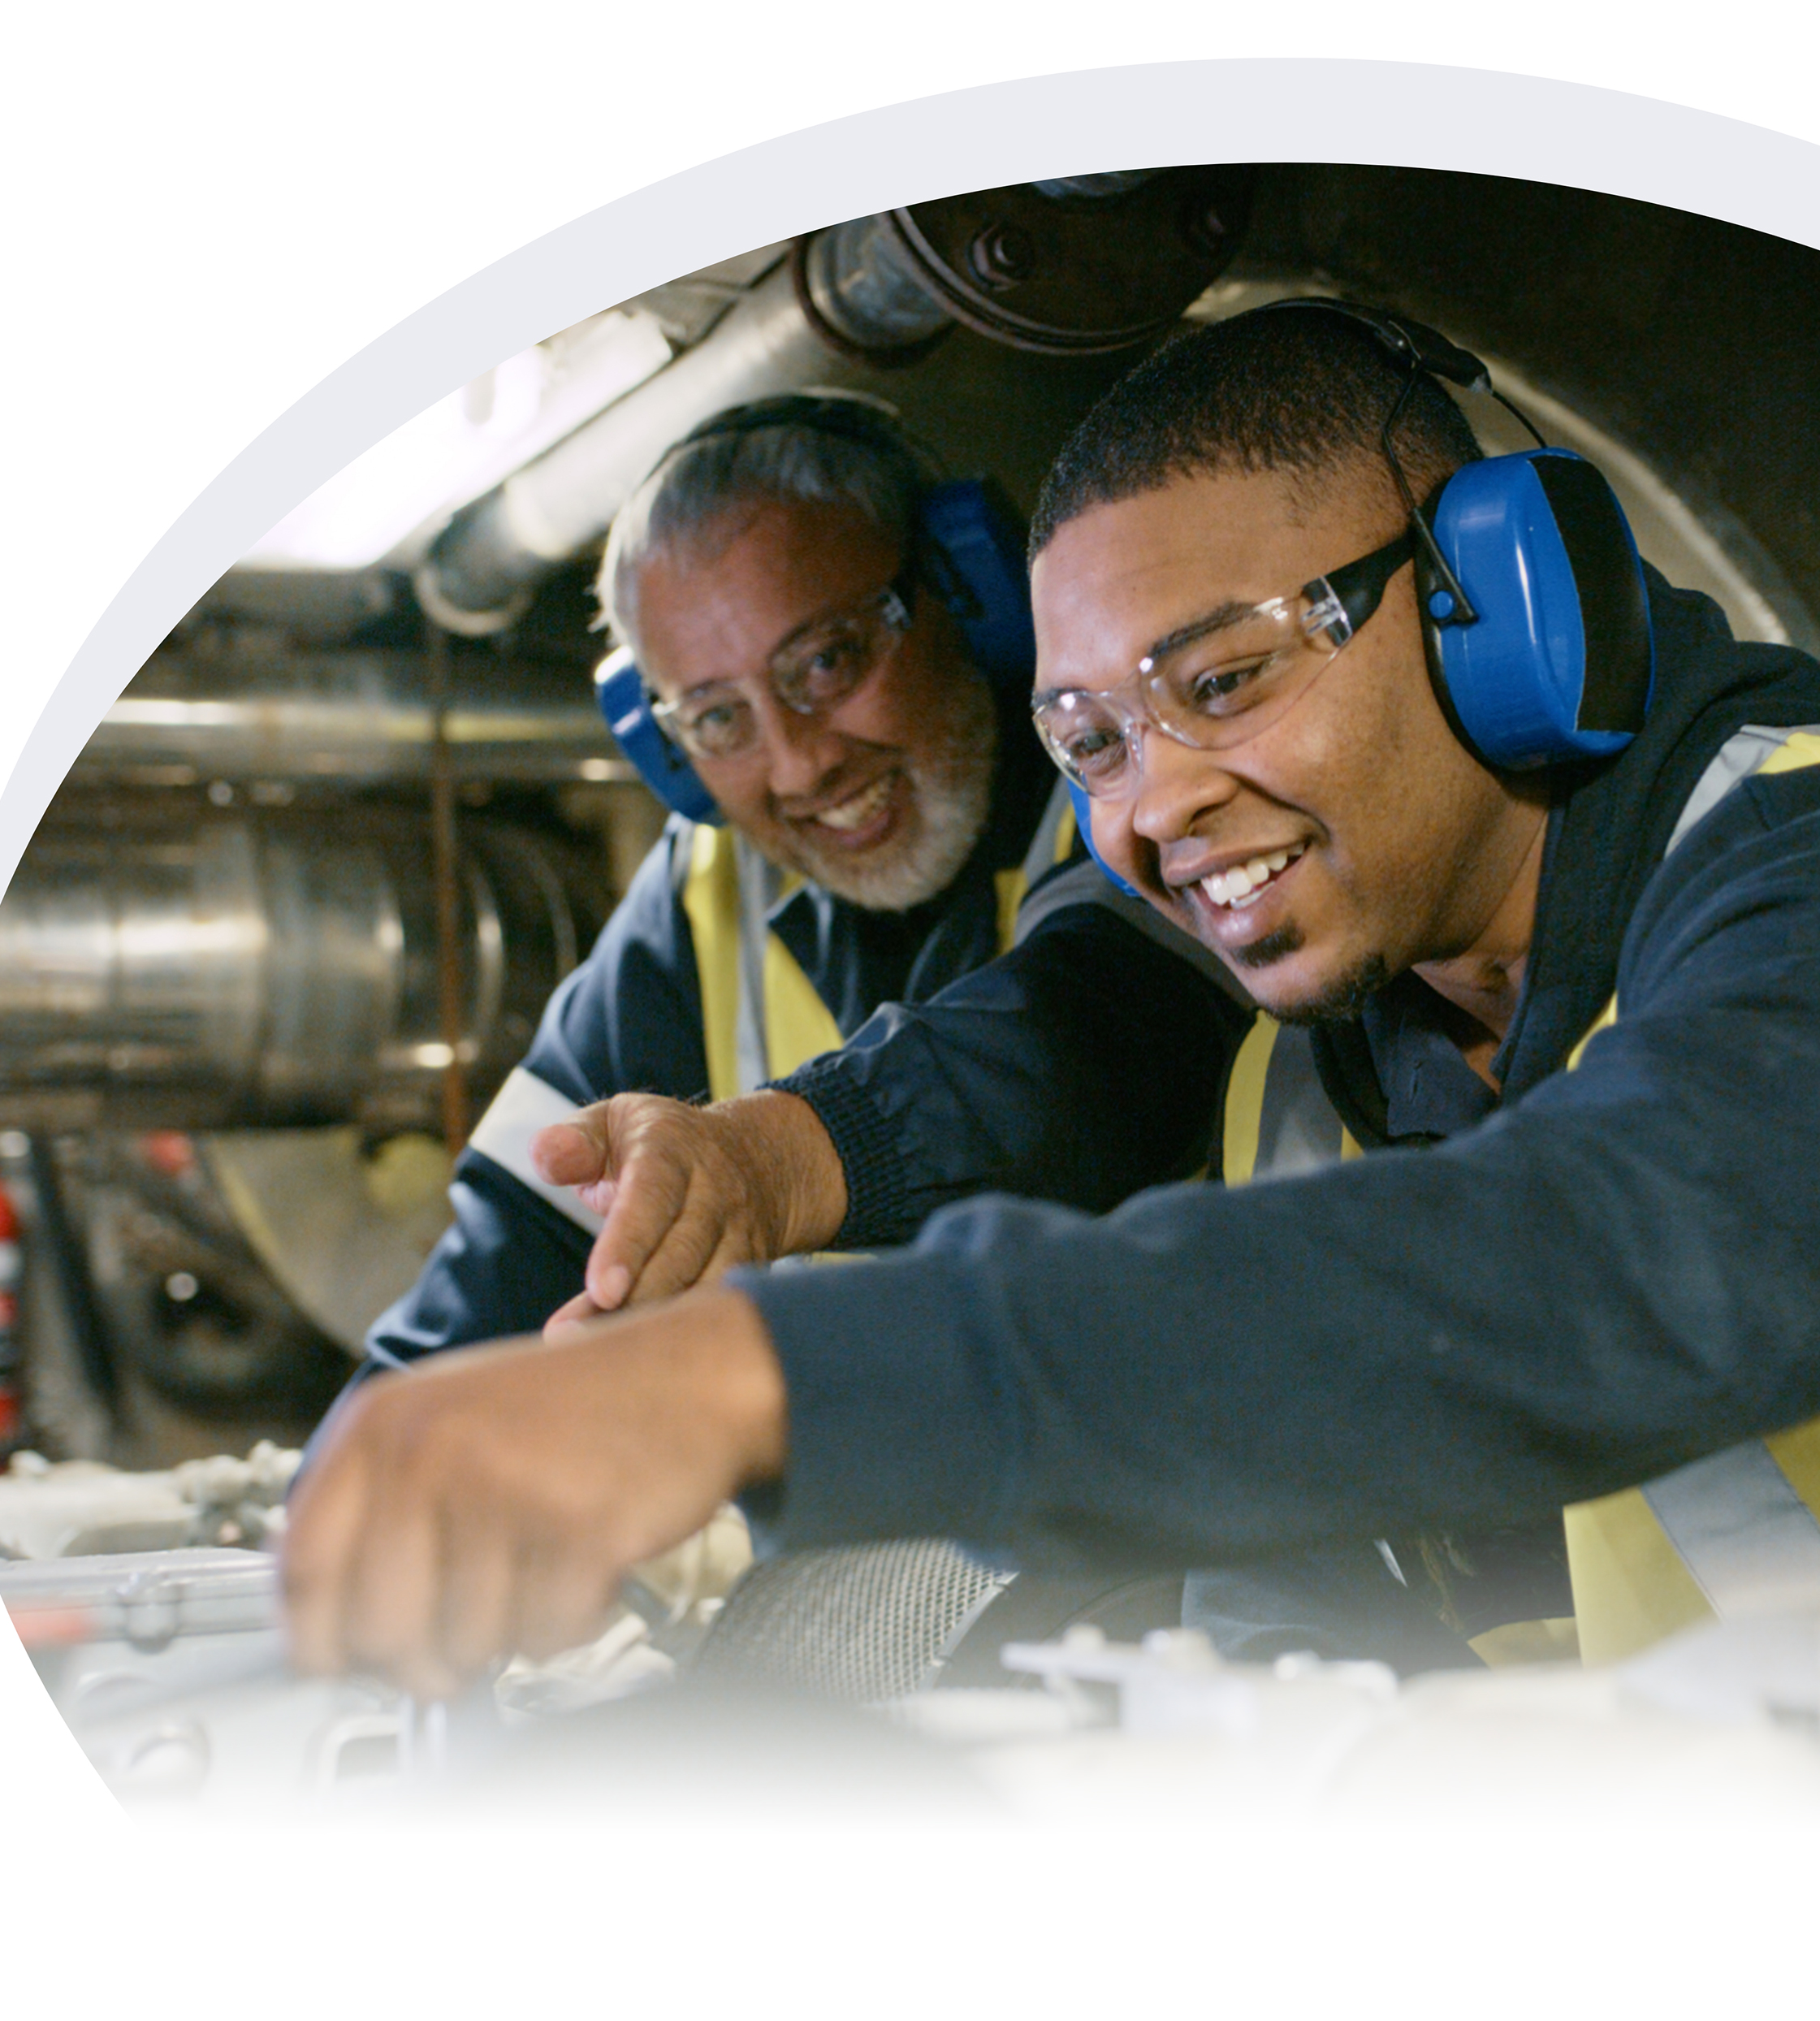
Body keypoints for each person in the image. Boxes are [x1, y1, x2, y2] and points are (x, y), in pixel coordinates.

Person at [285, 305, 1820, 1701]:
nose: (1153, 808)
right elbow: (1296, 1607)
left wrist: (760, 1377)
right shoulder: (1297, 1079)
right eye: (1093, 742)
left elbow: (1606, 1251)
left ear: (1492, 597)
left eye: (1222, 680)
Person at [353, 394, 1243, 1378]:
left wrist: (774, 1160)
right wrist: (377, 1436)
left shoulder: (1128, 782)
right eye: (717, 718)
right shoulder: (701, 891)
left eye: (826, 660)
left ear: (964, 586)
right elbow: (508, 1255)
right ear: (667, 749)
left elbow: (1097, 1049)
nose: (799, 764)